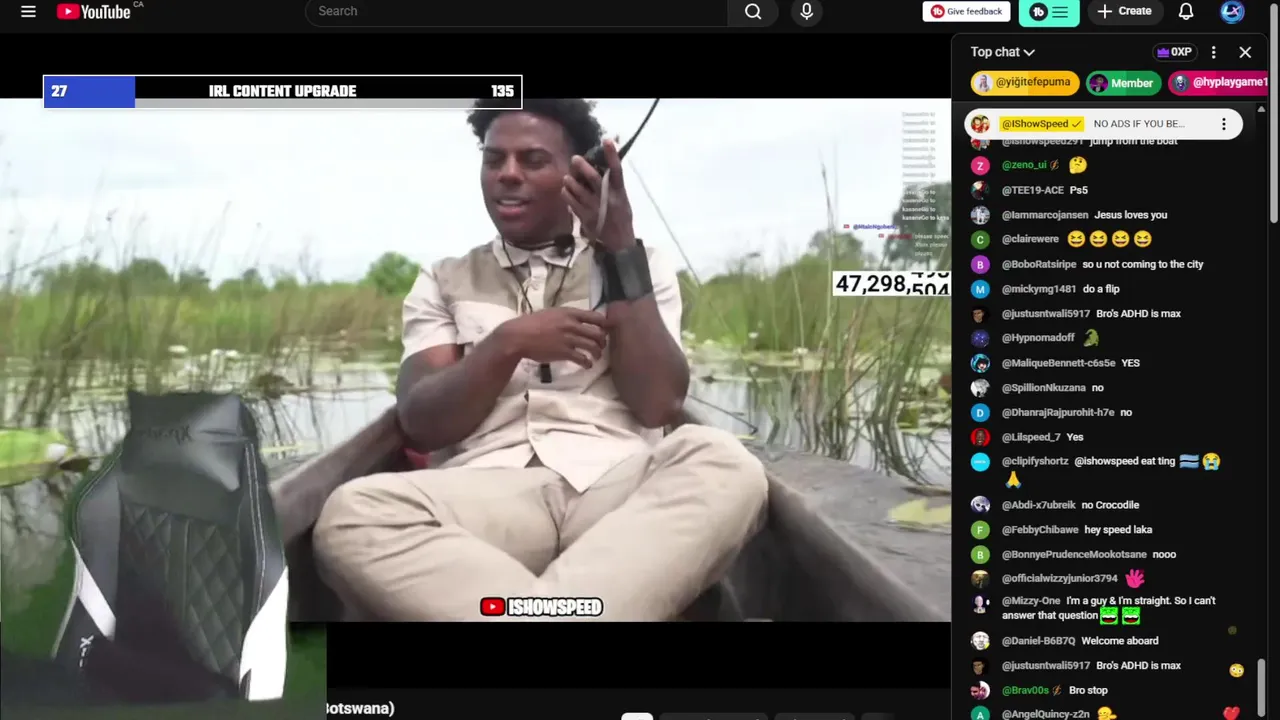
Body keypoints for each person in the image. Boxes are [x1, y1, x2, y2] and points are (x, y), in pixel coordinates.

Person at [312, 99, 769, 622]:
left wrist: (620, 250)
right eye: (494, 160)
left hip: (619, 492)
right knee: (353, 515)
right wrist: (506, 344)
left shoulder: (640, 264)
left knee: (724, 462)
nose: (507, 174)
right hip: (488, 495)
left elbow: (659, 404)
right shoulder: (442, 279)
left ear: (581, 174)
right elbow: (422, 423)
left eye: (532, 160)